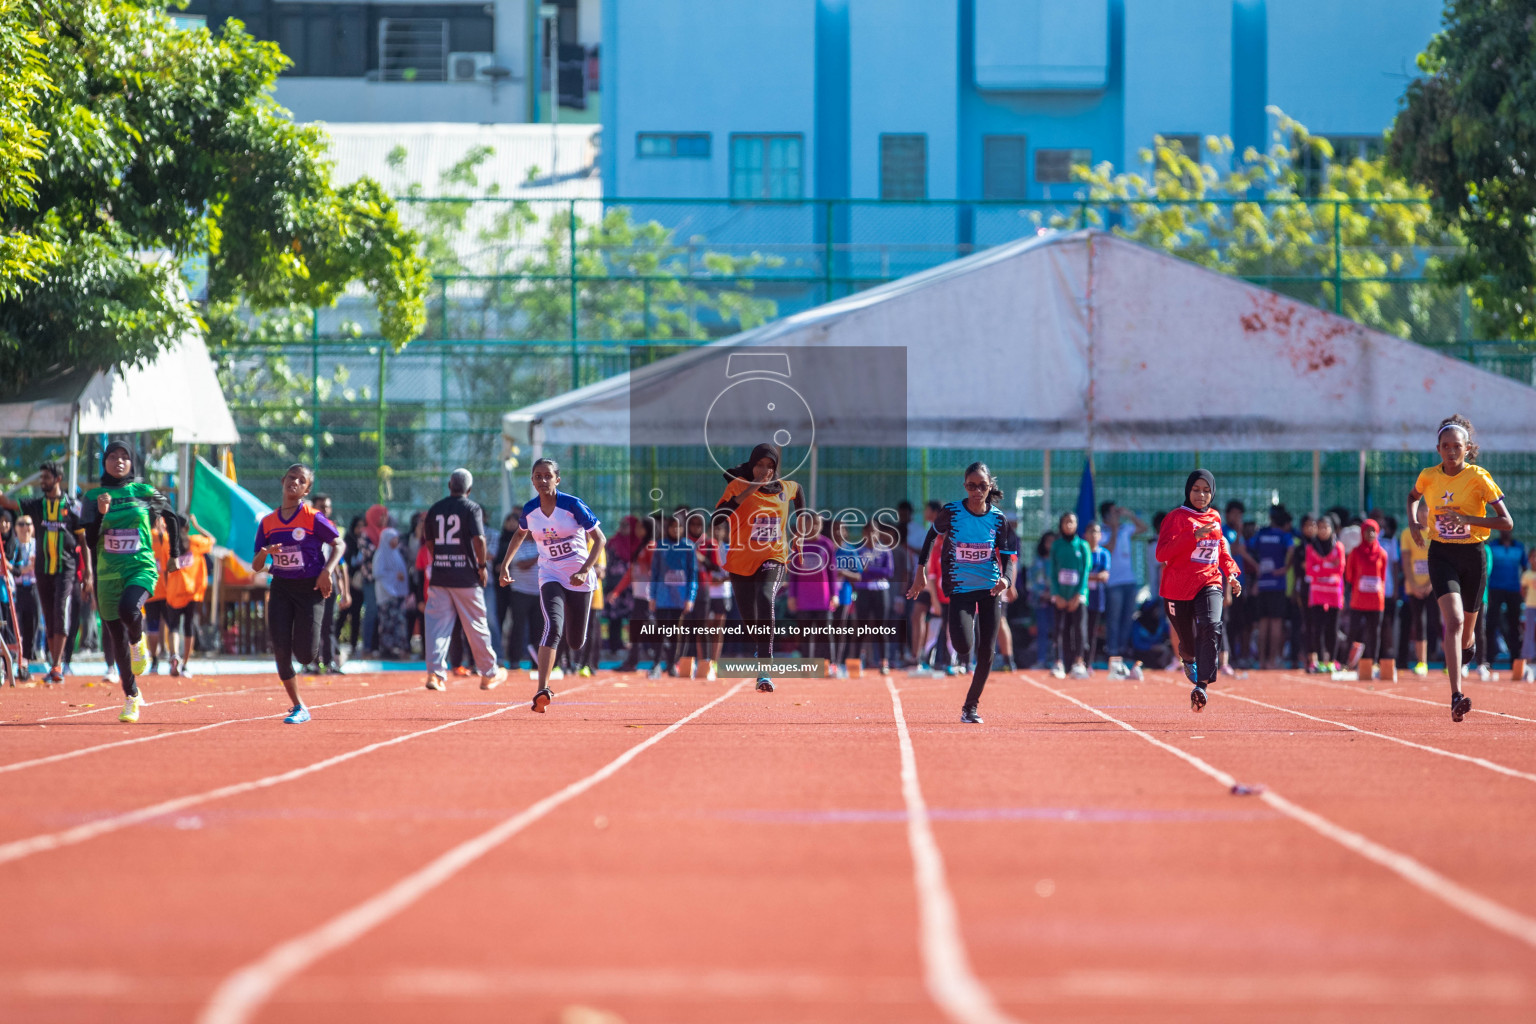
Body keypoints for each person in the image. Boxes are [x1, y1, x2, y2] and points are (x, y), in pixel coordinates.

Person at [1406, 414, 1514, 721]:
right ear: (1437, 448)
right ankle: (1456, 695)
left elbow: (1506, 521)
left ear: (1467, 448)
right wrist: (1414, 522)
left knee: (1466, 634)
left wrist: (1468, 520)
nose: (1451, 451)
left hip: (1473, 555)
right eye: (1445, 446)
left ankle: (1469, 644)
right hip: (1441, 554)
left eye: (1457, 446)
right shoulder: (1428, 475)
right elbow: (1412, 496)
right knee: (1451, 621)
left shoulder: (1479, 477)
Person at [80, 441, 182, 724]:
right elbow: (89, 541)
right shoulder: (93, 496)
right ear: (105, 463)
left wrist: (174, 554)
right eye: (113, 457)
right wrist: (100, 514)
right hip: (107, 575)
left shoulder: (144, 491)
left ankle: (139, 643)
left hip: (141, 567)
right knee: (115, 638)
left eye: (125, 457)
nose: (119, 461)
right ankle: (131, 697)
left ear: (132, 463)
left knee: (129, 609)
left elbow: (172, 516)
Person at [907, 462, 1016, 724]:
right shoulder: (952, 512)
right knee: (963, 646)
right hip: (959, 588)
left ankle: (970, 706)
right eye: (971, 485)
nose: (976, 491)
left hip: (990, 589)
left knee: (987, 652)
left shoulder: (998, 519)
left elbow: (1010, 555)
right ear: (965, 486)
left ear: (989, 486)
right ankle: (963, 645)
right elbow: (930, 537)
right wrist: (920, 571)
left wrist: (1007, 579)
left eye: (981, 486)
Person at [498, 458, 606, 712]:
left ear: (557, 479)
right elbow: (519, 533)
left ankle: (571, 619)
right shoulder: (530, 510)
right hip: (550, 575)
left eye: (548, 476)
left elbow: (600, 539)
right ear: (532, 480)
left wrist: (584, 570)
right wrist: (505, 565)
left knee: (576, 641)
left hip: (579, 578)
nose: (543, 480)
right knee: (552, 626)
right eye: (538, 476)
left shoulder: (573, 505)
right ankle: (542, 689)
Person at [252, 465, 344, 724]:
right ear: (283, 480)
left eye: (301, 480)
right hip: (281, 587)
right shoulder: (268, 522)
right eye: (291, 477)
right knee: (280, 649)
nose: (294, 482)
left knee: (305, 655)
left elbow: (339, 543)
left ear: (306, 489)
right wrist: (265, 553)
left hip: (309, 590)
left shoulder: (313, 517)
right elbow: (256, 565)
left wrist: (327, 571)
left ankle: (300, 638)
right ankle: (298, 706)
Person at [714, 442, 804, 694]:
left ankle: (765, 667)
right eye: (760, 465)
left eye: (770, 466)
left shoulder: (786, 488)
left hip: (774, 557)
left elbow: (799, 492)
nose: (765, 470)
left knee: (766, 596)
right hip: (741, 562)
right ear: (752, 465)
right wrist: (752, 487)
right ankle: (762, 647)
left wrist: (799, 532)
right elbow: (719, 517)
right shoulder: (737, 486)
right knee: (751, 622)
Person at [1156, 469, 1242, 712]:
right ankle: (1188, 658)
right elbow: (1162, 554)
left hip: (1209, 582)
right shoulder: (1175, 518)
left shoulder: (1215, 517)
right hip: (1177, 588)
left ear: (1212, 493)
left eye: (1206, 490)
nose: (1201, 495)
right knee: (1188, 644)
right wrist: (1192, 536)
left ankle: (1201, 687)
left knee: (1211, 625)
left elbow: (1220, 550)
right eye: (1196, 490)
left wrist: (1231, 573)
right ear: (1188, 490)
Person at [0, 462, 92, 683]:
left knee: (60, 610)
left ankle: (58, 664)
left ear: (58, 478)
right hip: (42, 568)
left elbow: (84, 540)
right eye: (41, 477)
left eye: (46, 477)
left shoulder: (73, 506)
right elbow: (7, 502)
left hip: (66, 568)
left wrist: (88, 572)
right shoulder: (37, 505)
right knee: (49, 616)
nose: (42, 481)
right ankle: (54, 666)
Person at [421, 469, 507, 692]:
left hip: (440, 575)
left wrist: (441, 558)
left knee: (436, 627)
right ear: (469, 489)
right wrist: (481, 566)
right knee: (476, 625)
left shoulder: (435, 508)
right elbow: (478, 538)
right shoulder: (472, 508)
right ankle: (488, 673)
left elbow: (428, 541)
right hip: (466, 577)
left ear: (450, 485)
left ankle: (435, 674)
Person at [647, 511, 698, 679]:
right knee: (660, 631)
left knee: (676, 633)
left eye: (679, 527)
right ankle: (655, 665)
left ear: (683, 529)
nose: (676, 530)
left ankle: (671, 665)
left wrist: (690, 598)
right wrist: (652, 596)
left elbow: (693, 575)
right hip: (662, 596)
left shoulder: (689, 547)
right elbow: (654, 573)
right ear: (668, 528)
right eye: (673, 527)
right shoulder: (660, 546)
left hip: (680, 597)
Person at [163, 514, 215, 677]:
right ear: (187, 528)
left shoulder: (168, 542)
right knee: (188, 626)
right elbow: (211, 540)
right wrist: (197, 525)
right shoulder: (196, 542)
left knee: (173, 626)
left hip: (174, 591)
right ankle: (185, 664)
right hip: (192, 591)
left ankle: (174, 656)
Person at [1100, 501, 1148, 672]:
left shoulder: (1126, 529)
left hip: (1129, 581)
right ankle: (1112, 652)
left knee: (1127, 619)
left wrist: (1129, 514)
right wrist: (1113, 529)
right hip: (1113, 583)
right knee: (1113, 619)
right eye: (1113, 513)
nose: (1117, 517)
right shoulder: (1102, 532)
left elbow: (1144, 528)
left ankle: (1122, 650)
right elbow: (1109, 549)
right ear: (1105, 516)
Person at [787, 513, 839, 668]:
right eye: (811, 524)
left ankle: (830, 665)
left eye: (817, 524)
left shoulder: (827, 544)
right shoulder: (799, 544)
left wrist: (834, 594)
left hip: (823, 598)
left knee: (825, 634)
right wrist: (792, 595)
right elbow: (793, 573)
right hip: (803, 599)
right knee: (805, 635)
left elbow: (832, 572)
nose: (814, 527)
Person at [306, 494, 350, 674]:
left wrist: (345, 591)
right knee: (309, 623)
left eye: (327, 507)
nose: (325, 510)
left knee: (328, 624)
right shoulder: (305, 526)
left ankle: (330, 661)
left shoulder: (331, 529)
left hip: (327, 583)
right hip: (308, 582)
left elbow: (341, 563)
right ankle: (311, 661)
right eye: (321, 506)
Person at [1249, 505, 1294, 670]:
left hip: (1262, 583)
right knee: (1276, 623)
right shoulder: (1284, 536)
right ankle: (1273, 660)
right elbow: (1291, 549)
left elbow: (1246, 547)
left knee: (1262, 623)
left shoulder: (1261, 535)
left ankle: (1261, 660)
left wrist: (1256, 566)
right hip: (1278, 583)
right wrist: (1285, 568)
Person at [1344, 518, 1388, 680]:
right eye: (1367, 531)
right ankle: (1346, 662)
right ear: (1362, 533)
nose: (1370, 534)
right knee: (1353, 631)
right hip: (1358, 600)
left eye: (1373, 531)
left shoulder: (1382, 554)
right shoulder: (1355, 552)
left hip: (1376, 601)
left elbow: (1382, 576)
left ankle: (1373, 662)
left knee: (1374, 633)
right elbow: (1349, 575)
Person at [1049, 511, 1091, 679]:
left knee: (1079, 630)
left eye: (1072, 522)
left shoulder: (1083, 546)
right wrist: (1056, 594)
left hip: (1078, 597)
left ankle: (1079, 662)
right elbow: (1052, 571)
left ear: (1076, 524)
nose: (1068, 525)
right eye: (1065, 521)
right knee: (1059, 630)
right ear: (1061, 524)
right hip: (1060, 596)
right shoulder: (1056, 546)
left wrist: (1078, 595)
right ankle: (1059, 662)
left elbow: (1085, 573)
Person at [1305, 514, 1345, 673]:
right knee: (1318, 627)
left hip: (1334, 593)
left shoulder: (1339, 547)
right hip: (1317, 593)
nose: (1323, 531)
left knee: (1333, 628)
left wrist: (1320, 567)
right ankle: (1321, 660)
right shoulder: (1311, 547)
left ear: (1332, 529)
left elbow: (1340, 569)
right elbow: (1309, 570)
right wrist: (1328, 566)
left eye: (1326, 527)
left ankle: (1332, 661)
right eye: (1320, 527)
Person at [1397, 512, 1434, 676]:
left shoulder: (1436, 532)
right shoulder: (1407, 533)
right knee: (1419, 623)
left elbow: (1438, 560)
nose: (1423, 516)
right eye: (1420, 513)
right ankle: (1422, 662)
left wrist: (1430, 584)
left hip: (1433, 586)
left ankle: (1449, 662)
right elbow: (1405, 560)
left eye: (1427, 513)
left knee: (1439, 623)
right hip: (1414, 587)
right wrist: (1413, 584)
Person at [1486, 529, 1526, 672]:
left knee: (1514, 626)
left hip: (1514, 590)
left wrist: (1524, 590)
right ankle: (1488, 660)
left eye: (1508, 529)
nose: (1505, 532)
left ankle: (1515, 661)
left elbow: (1525, 567)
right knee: (1491, 624)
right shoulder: (1492, 545)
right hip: (1495, 589)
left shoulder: (1519, 547)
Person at [372, 523, 410, 657]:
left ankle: (398, 648)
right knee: (387, 623)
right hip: (385, 595)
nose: (396, 541)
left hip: (397, 595)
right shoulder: (380, 554)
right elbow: (377, 573)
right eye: (393, 538)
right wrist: (395, 576)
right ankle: (387, 649)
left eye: (396, 538)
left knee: (398, 622)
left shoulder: (396, 553)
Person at [1083, 520, 1111, 669]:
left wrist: (1087, 576)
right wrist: (1094, 576)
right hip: (1081, 596)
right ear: (1085, 535)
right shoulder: (1082, 551)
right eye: (1091, 532)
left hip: (1096, 597)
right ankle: (1077, 659)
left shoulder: (1104, 554)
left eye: (1096, 532)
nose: (1094, 535)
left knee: (1092, 631)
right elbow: (1079, 574)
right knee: (1079, 628)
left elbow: (1104, 576)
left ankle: (1088, 662)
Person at [11, 514, 38, 663]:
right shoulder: (12, 546)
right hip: (16, 589)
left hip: (33, 589)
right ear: (15, 528)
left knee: (32, 625)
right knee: (15, 625)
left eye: (28, 524)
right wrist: (26, 568)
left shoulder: (37, 545)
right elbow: (10, 567)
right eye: (21, 524)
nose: (25, 528)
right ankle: (14, 658)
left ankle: (27, 659)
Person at [1028, 531, 1056, 669]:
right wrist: (1042, 593)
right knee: (1042, 630)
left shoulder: (1059, 561)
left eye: (1053, 541)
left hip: (1058, 601)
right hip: (1041, 602)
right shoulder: (1037, 561)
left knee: (1058, 632)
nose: (1050, 545)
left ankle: (1057, 660)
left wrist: (1054, 593)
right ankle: (1041, 659)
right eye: (1048, 541)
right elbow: (1031, 581)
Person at [1519, 548, 1536, 682]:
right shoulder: (1527, 574)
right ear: (1529, 559)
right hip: (1530, 607)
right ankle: (1528, 664)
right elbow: (1523, 591)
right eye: (1533, 557)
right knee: (1529, 634)